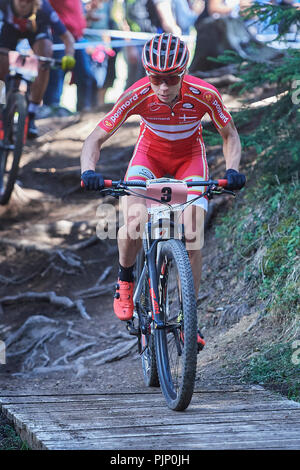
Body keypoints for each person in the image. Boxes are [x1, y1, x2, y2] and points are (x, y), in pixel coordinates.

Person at [80, 33, 245, 346]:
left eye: (171, 79)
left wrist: (233, 169)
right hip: (149, 156)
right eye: (156, 78)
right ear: (147, 74)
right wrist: (88, 171)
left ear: (183, 73)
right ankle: (125, 279)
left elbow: (230, 135)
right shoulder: (138, 93)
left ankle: (187, 318)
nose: (164, 87)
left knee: (193, 235)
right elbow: (95, 139)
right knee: (132, 221)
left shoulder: (204, 94)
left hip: (190, 159)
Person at [0, 0, 75, 138]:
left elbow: (68, 38)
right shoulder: (4, 3)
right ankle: (11, 97)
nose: (23, 4)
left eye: (27, 2)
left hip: (37, 32)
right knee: (2, 59)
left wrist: (69, 56)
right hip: (9, 32)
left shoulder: (44, 9)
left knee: (45, 57)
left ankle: (31, 113)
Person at [43, 0, 96, 114]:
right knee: (57, 74)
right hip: (59, 37)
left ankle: (84, 109)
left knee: (85, 74)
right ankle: (52, 108)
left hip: (77, 37)